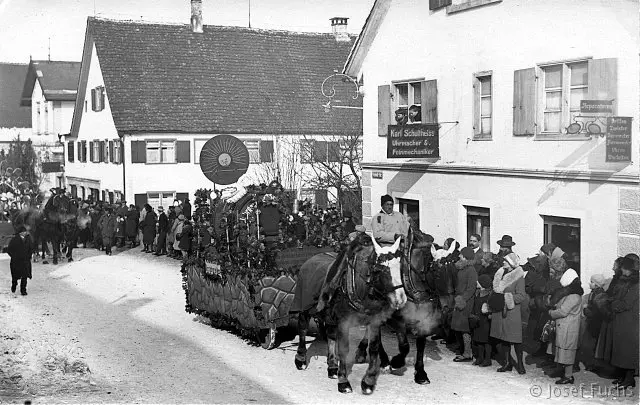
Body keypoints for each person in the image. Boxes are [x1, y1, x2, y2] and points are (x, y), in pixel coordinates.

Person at [490, 252, 526, 375]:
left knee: (515, 339)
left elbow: (521, 296)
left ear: (511, 263)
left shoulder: (518, 277)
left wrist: (507, 298)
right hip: (500, 310)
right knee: (504, 338)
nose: (503, 262)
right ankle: (507, 363)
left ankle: (520, 364)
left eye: (505, 261)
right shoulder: (500, 274)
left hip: (512, 312)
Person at [548, 268, 584, 385]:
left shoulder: (573, 296)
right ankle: (561, 371)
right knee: (561, 350)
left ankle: (568, 376)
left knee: (567, 351)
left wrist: (551, 313)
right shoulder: (572, 294)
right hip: (564, 326)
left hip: (568, 328)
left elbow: (563, 311)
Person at [608, 256, 639, 388]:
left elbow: (626, 303)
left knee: (628, 350)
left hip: (629, 321)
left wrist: (612, 304)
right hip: (622, 320)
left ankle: (629, 379)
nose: (621, 270)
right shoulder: (626, 281)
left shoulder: (636, 284)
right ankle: (624, 377)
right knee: (621, 350)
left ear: (630, 269)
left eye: (624, 268)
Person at [451, 246, 479, 362]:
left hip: (465, 303)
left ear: (465, 257)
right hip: (459, 300)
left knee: (464, 328)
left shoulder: (471, 270)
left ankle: (467, 353)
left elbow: (471, 288)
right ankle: (463, 349)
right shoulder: (461, 268)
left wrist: (462, 300)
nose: (459, 256)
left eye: (461, 255)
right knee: (458, 327)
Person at [471, 274, 493, 367]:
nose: (477, 283)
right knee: (478, 340)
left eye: (478, 282)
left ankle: (487, 359)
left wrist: (488, 312)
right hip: (477, 320)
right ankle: (480, 357)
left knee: (486, 341)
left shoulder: (489, 295)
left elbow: (491, 307)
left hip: (485, 320)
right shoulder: (478, 293)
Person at [7, 226, 32, 295]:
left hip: (25, 261)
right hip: (16, 262)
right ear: (21, 233)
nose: (26, 233)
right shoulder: (14, 240)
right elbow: (9, 250)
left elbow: (30, 249)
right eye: (24, 231)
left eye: (26, 231)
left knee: (25, 276)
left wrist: (29, 257)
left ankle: (23, 290)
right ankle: (14, 284)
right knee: (15, 276)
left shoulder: (28, 239)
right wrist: (14, 257)